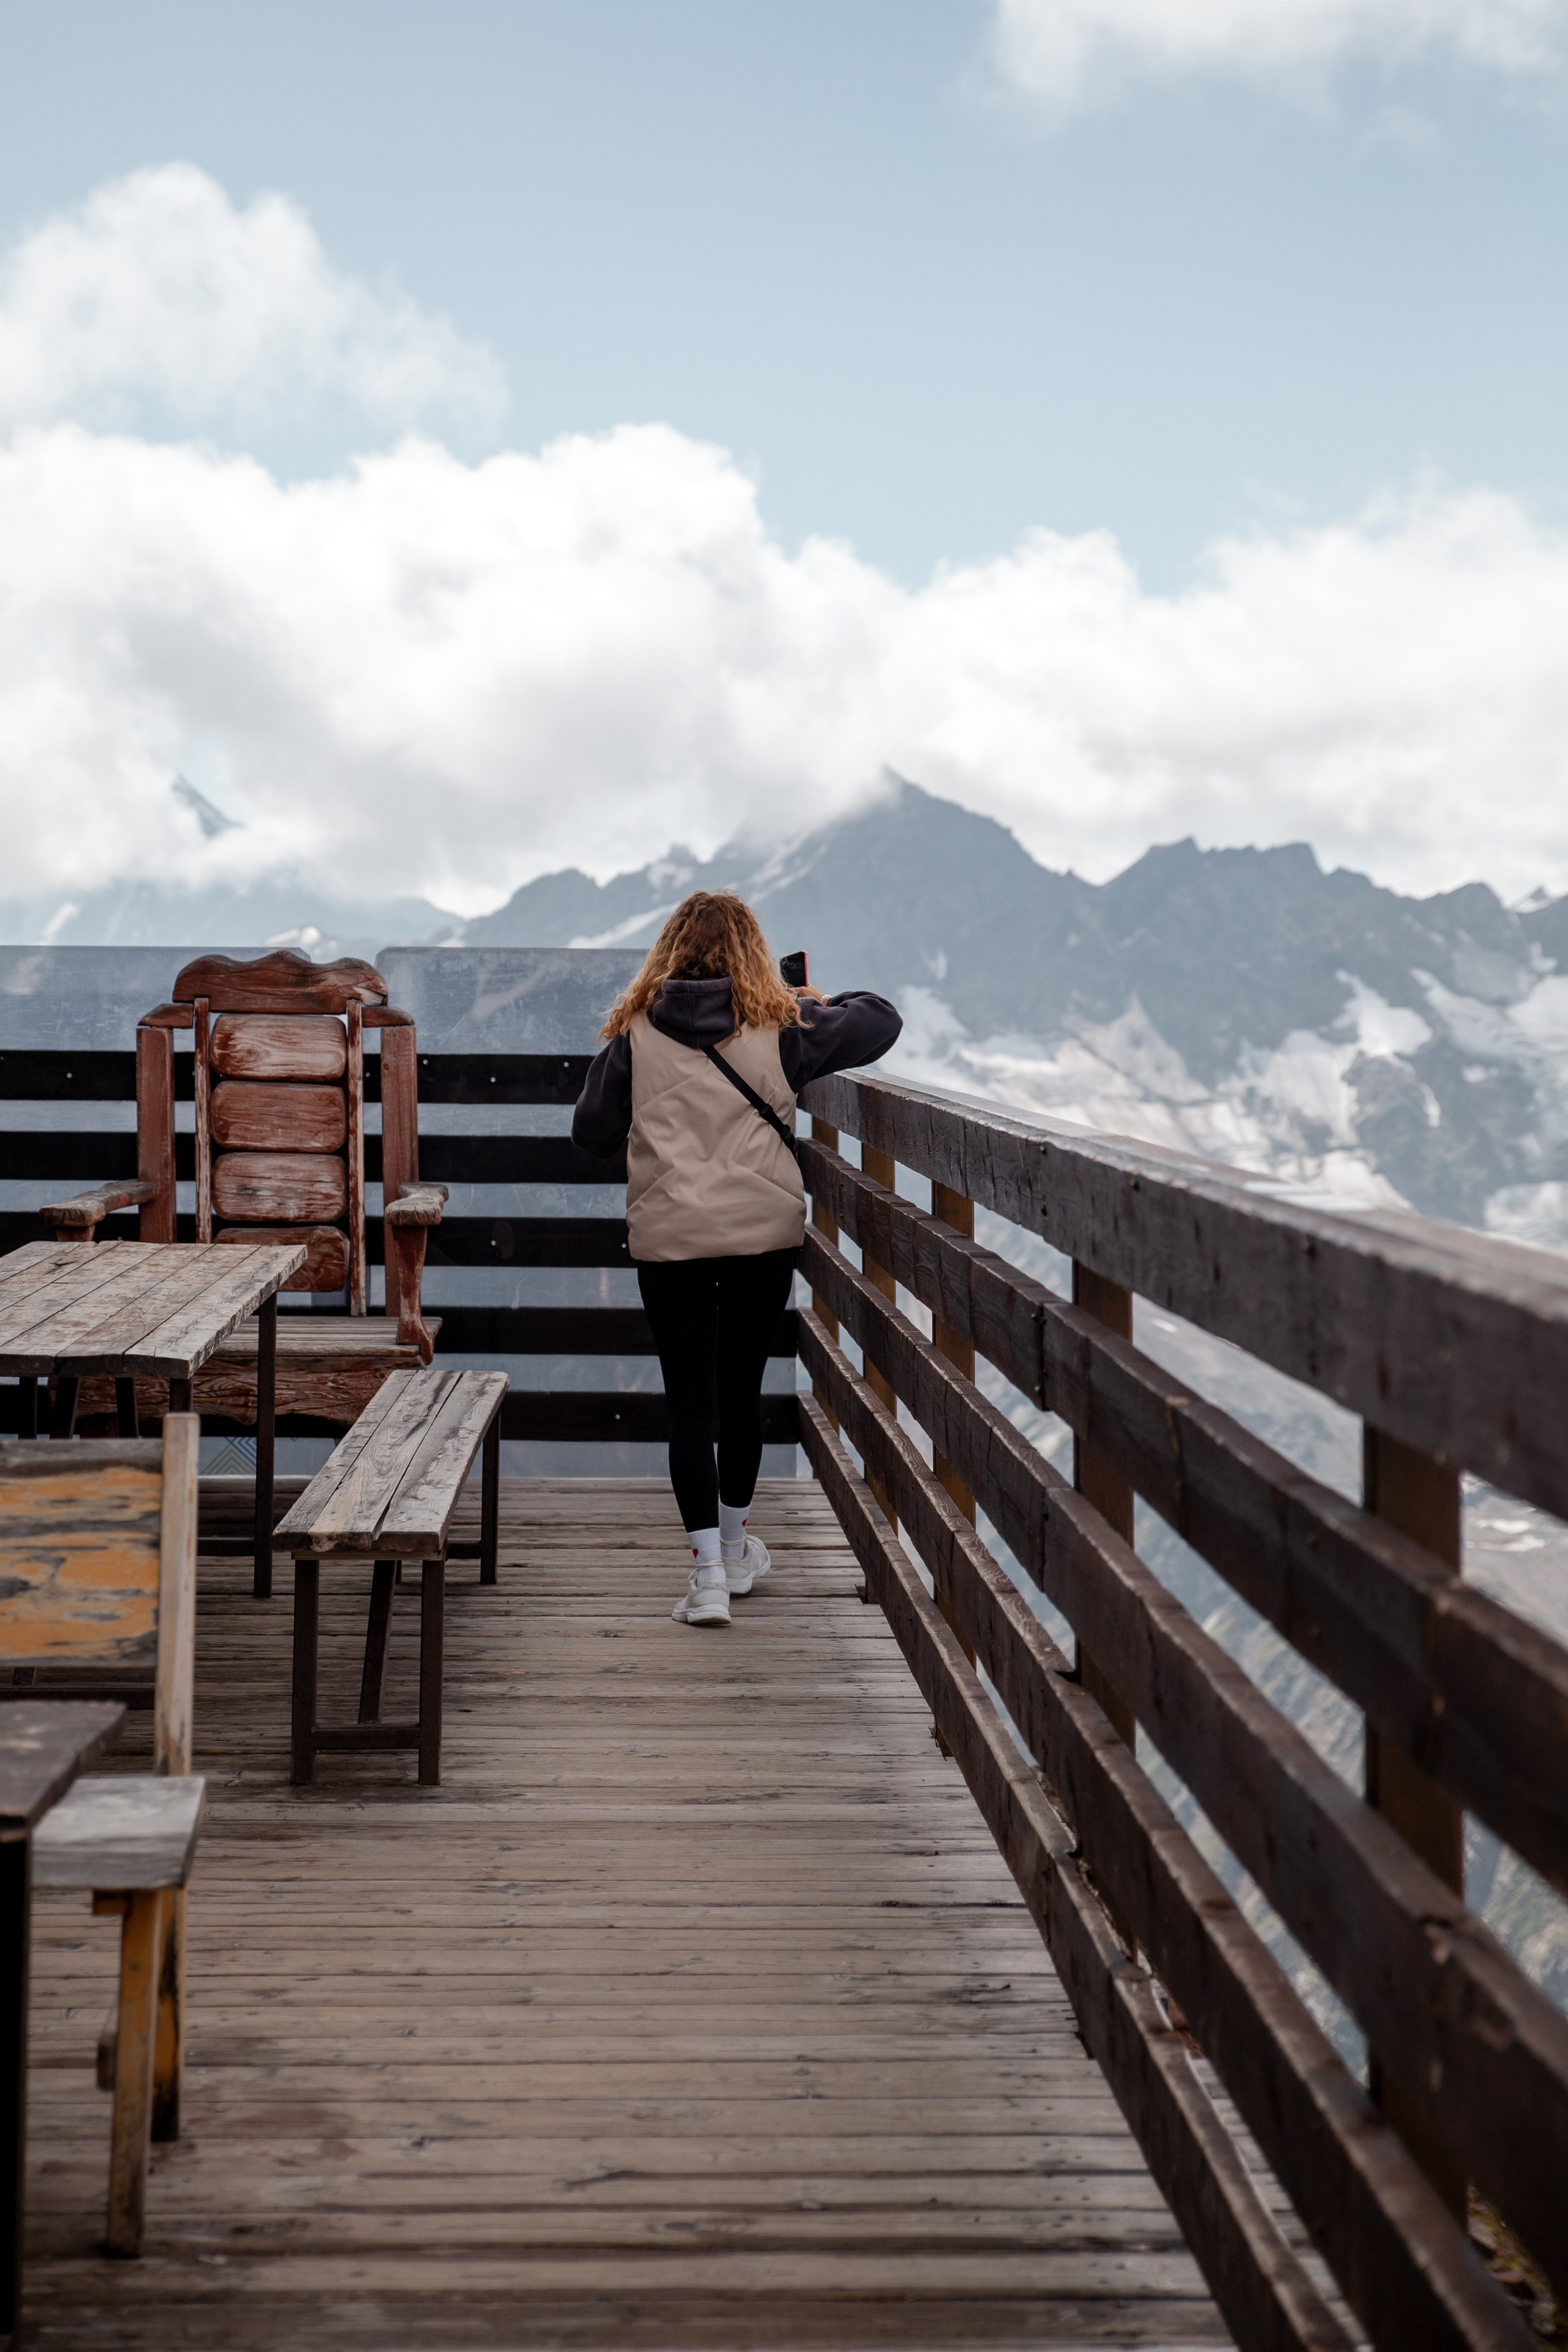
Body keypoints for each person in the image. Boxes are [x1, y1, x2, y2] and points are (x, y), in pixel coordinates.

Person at [573, 891, 902, 1627]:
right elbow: (882, 1019)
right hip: (761, 1235)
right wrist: (813, 997)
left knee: (689, 1399)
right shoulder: (785, 1027)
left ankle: (708, 1577)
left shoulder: (634, 1033)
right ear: (754, 952)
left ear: (668, 951)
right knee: (741, 1389)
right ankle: (736, 1541)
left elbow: (590, 1134)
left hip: (671, 1238)